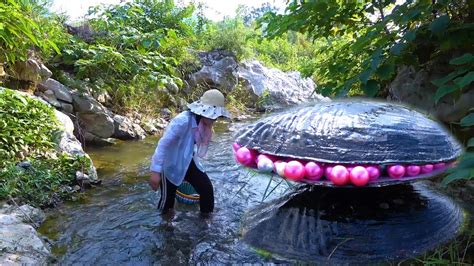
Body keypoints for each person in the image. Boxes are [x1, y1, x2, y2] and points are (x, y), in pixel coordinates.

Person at [149, 89, 231, 215]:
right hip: (170, 164)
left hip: (187, 161)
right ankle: (165, 227)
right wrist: (155, 172)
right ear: (204, 110)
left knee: (206, 190)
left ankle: (205, 222)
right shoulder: (182, 121)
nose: (215, 119)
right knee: (167, 201)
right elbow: (163, 145)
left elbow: (193, 146)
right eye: (213, 115)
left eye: (216, 116)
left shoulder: (203, 123)